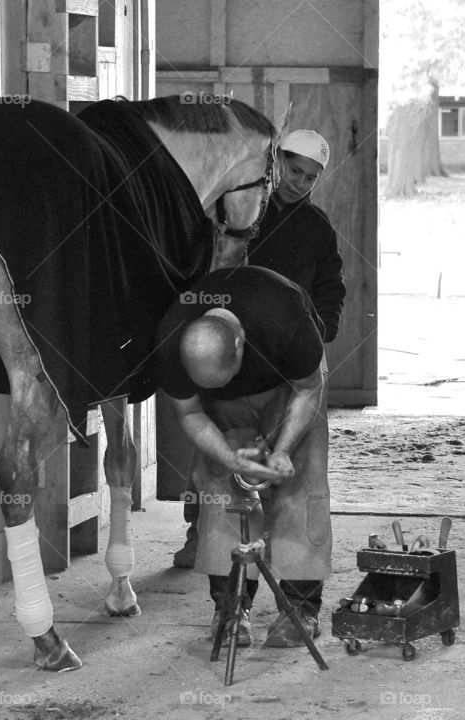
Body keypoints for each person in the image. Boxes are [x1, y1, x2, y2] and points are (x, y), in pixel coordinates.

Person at [171, 128, 345, 569]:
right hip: (231, 346)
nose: (299, 182)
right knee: (217, 452)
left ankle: (298, 578)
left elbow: (331, 286)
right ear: (275, 163)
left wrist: (320, 328)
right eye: (293, 169)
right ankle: (199, 530)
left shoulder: (316, 228)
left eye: (310, 177)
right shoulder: (241, 209)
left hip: (293, 347)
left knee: (301, 455)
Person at [154, 265, 332, 647]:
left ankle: (300, 609)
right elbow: (189, 412)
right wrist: (231, 458)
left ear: (239, 347)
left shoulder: (285, 316)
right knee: (221, 492)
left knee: (299, 486)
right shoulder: (171, 343)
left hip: (290, 387)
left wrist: (282, 451)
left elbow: (308, 388)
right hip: (217, 407)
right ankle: (231, 606)